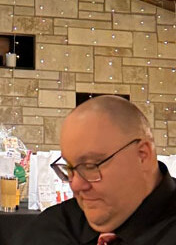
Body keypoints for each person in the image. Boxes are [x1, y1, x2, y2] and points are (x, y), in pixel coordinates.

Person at [14, 95, 176, 245]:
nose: (75, 185)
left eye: (90, 166)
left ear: (142, 155)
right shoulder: (52, 229)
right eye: (70, 168)